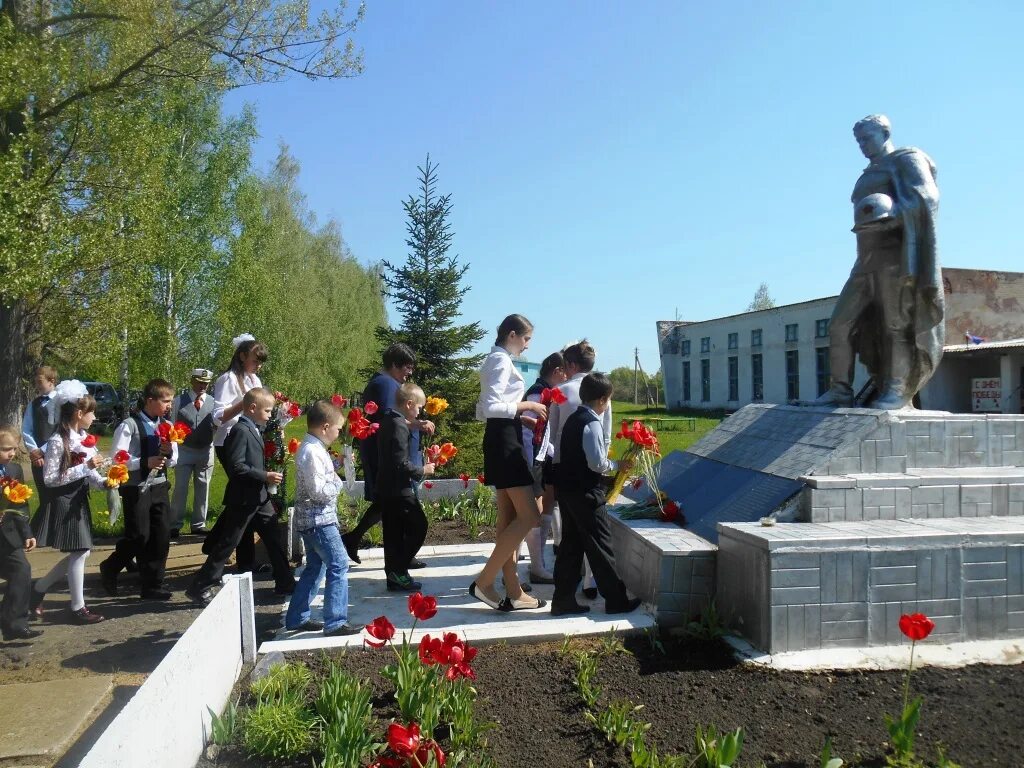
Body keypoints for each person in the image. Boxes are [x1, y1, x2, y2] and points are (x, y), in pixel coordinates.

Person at [814, 114, 942, 410]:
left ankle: (897, 390)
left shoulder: (907, 158)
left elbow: (928, 197)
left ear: (885, 133)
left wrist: (894, 212)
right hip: (864, 262)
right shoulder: (867, 173)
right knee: (839, 324)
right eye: (858, 141)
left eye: (867, 138)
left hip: (895, 259)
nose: (862, 145)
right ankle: (840, 390)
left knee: (895, 325)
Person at [468, 314, 549, 611]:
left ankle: (514, 591)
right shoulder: (500, 361)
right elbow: (490, 408)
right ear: (512, 334)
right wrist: (526, 405)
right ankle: (485, 582)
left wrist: (519, 416)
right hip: (505, 443)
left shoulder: (495, 360)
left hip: (503, 437)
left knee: (507, 520)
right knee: (529, 517)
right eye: (526, 339)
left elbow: (484, 409)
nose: (527, 346)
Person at [186, 388, 293, 606]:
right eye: (268, 411)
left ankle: (285, 581)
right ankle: (200, 586)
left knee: (273, 538)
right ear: (252, 408)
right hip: (243, 498)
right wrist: (266, 475)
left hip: (259, 497)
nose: (270, 415)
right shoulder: (240, 430)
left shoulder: (253, 427)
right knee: (228, 543)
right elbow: (236, 467)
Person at [550, 373, 640, 616]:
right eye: (609, 399)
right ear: (602, 400)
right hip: (586, 493)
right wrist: (617, 466)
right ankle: (616, 599)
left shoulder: (573, 418)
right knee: (601, 545)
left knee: (571, 545)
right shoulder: (591, 423)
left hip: (568, 491)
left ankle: (563, 599)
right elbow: (597, 463)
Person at [341, 343, 435, 566]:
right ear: (394, 365)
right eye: (407, 367)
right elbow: (388, 419)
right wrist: (417, 424)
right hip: (387, 457)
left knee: (387, 505)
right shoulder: (383, 384)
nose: (409, 372)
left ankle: (387, 550)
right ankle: (396, 557)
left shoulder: (390, 382)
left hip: (392, 456)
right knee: (393, 505)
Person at [29, 381, 107, 624]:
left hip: (78, 500)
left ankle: (39, 589)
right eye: (92, 412)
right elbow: (50, 479)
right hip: (63, 500)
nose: (94, 418)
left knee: (80, 552)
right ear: (79, 413)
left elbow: (90, 475)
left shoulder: (84, 440)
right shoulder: (57, 441)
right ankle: (77, 608)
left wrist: (105, 483)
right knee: (80, 551)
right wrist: (85, 467)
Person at [284, 401, 359, 637]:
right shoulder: (311, 451)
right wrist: (337, 482)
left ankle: (298, 617)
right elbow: (318, 491)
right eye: (337, 429)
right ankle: (335, 621)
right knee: (339, 563)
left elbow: (318, 476)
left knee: (315, 567)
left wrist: (339, 464)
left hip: (312, 521)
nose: (338, 435)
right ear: (325, 427)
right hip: (319, 521)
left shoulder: (313, 449)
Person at [99, 379, 177, 600]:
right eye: (165, 401)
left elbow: (174, 460)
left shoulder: (168, 426)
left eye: (170, 401)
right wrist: (144, 462)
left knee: (161, 535)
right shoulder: (129, 426)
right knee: (139, 535)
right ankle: (111, 567)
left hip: (159, 485)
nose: (169, 405)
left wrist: (168, 453)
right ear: (150, 400)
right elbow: (116, 459)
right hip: (136, 487)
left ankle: (152, 584)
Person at [206, 334, 273, 574]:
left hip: (250, 436)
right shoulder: (227, 380)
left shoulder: (254, 378)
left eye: (260, 362)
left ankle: (242, 559)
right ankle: (236, 557)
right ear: (242, 356)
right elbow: (217, 417)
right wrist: (244, 404)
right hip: (230, 441)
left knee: (247, 499)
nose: (258, 366)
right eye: (256, 360)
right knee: (245, 497)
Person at [547, 340, 608, 599]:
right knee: (591, 528)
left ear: (571, 365)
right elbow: (606, 435)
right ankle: (589, 581)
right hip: (592, 469)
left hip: (565, 467)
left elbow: (551, 430)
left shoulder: (560, 391)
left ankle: (565, 575)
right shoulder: (601, 393)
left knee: (570, 527)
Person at [377, 382, 435, 592]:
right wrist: (424, 470)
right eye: (419, 407)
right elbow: (400, 463)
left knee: (393, 532)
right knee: (419, 526)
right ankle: (398, 569)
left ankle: (394, 575)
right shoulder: (399, 425)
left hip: (386, 488)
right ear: (409, 404)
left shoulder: (389, 420)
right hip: (399, 489)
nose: (420, 412)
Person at [520, 351, 569, 585]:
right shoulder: (538, 393)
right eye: (565, 372)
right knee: (534, 512)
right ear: (557, 371)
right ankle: (537, 566)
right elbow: (526, 426)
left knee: (543, 506)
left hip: (541, 455)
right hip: (533, 458)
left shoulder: (549, 392)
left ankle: (539, 562)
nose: (567, 376)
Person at [0, 426, 40, 641]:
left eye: (14, 449)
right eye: (6, 449)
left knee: (22, 570)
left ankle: (15, 623)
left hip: (8, 536)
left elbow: (21, 504)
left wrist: (27, 532)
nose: (12, 453)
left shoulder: (14, 471)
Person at [169, 368, 216, 537]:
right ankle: (174, 525)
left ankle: (198, 524)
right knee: (180, 488)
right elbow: (171, 425)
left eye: (206, 383)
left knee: (203, 486)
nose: (202, 385)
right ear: (192, 381)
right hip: (184, 450)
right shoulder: (178, 402)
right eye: (199, 382)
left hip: (205, 450)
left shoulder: (213, 402)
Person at [21, 365, 58, 532]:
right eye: (36, 382)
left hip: (57, 454)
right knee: (44, 494)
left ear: (52, 381)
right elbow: (26, 429)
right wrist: (34, 451)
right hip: (38, 457)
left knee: (55, 495)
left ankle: (48, 530)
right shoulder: (34, 404)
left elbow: (61, 430)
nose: (37, 385)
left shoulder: (61, 402)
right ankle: (42, 532)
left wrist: (44, 449)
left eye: (40, 382)